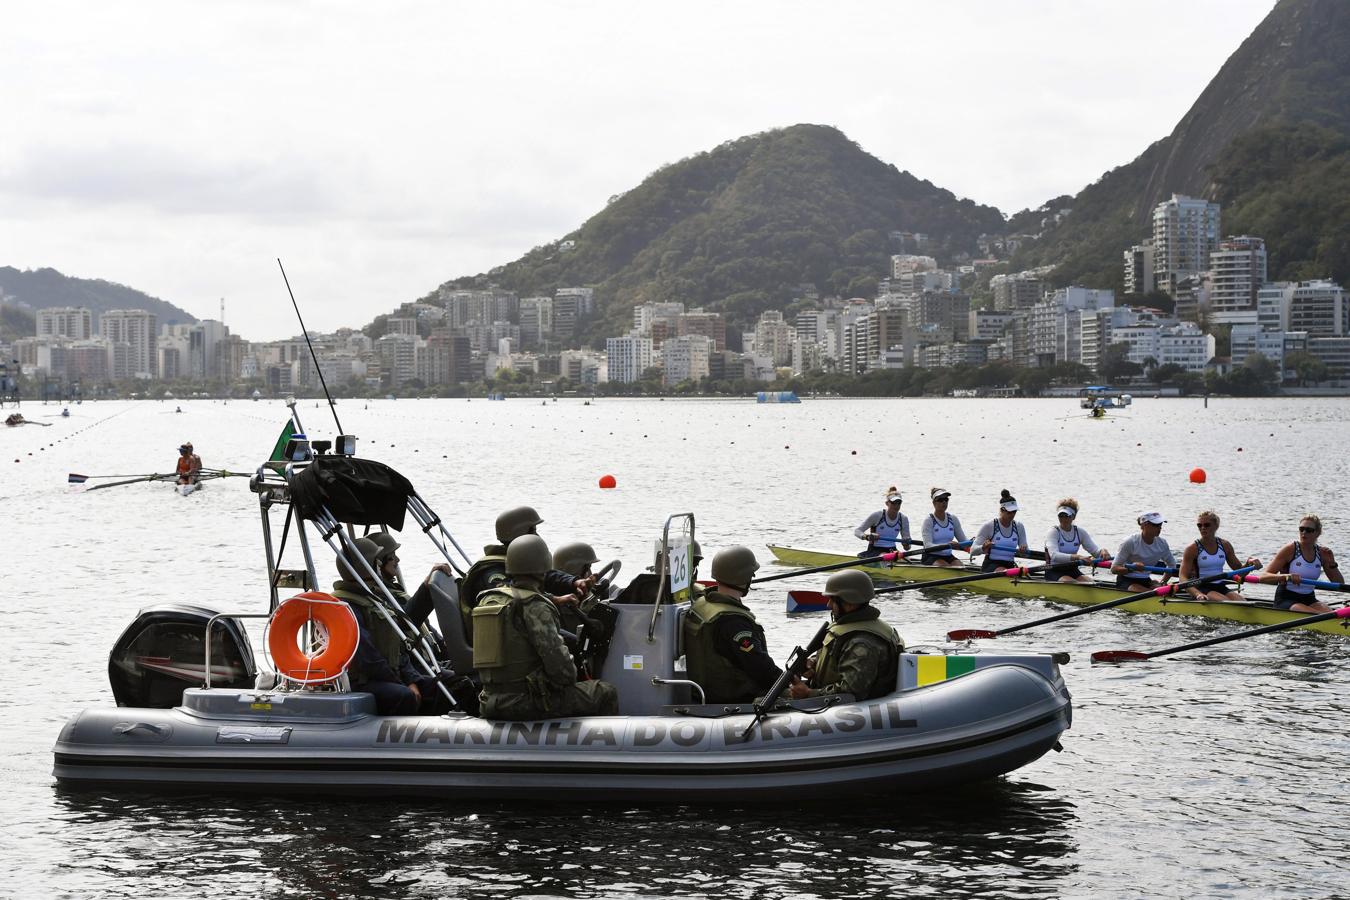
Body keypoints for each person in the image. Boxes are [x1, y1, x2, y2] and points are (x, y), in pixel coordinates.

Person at [473, 535, 619, 720]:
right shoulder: (535, 606)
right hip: (526, 702)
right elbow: (564, 673)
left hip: (488, 701)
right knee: (604, 692)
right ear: (544, 568)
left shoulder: (488, 600)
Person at [329, 537, 448, 716]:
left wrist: (410, 679)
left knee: (443, 687)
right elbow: (369, 659)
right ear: (369, 566)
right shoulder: (347, 606)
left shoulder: (375, 599)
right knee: (405, 695)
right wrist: (403, 683)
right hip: (366, 680)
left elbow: (398, 647)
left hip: (389, 674)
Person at [458, 506, 592, 636]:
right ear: (520, 533)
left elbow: (546, 575)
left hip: (516, 629)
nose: (537, 535)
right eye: (533, 530)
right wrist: (555, 599)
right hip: (501, 638)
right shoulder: (492, 573)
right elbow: (513, 597)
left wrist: (574, 582)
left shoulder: (515, 559)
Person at [683, 546, 782, 704]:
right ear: (744, 577)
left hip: (705, 692)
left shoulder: (703, 603)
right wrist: (789, 682)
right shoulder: (733, 622)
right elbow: (760, 667)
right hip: (733, 698)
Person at [788, 569, 904, 702]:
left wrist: (809, 694)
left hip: (844, 708)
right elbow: (837, 655)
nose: (828, 605)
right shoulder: (853, 627)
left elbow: (851, 692)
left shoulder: (862, 643)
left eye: (832, 600)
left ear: (849, 603)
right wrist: (814, 663)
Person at [1259, 515, 1342, 613]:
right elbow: (1263, 577)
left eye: (1309, 530)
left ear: (1317, 533)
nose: (1304, 533)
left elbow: (1339, 584)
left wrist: (1331, 563)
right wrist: (1287, 577)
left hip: (1309, 599)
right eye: (1301, 529)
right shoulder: (1290, 549)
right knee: (1319, 616)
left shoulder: (1322, 553)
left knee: (1331, 615)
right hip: (1286, 599)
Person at [1179, 510, 1261, 602]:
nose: (1202, 528)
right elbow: (1182, 578)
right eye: (1199, 525)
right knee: (1229, 604)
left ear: (1216, 526)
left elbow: (1240, 573)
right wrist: (1197, 594)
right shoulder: (1192, 549)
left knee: (1243, 603)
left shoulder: (1225, 545)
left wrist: (1250, 565)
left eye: (1206, 525)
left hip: (1220, 586)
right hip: (1201, 588)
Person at [1043, 499, 1110, 583]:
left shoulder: (1080, 532)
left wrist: (1103, 551)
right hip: (1054, 570)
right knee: (1074, 584)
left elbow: (1095, 552)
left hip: (1072, 569)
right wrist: (1078, 557)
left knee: (1091, 583)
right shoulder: (1053, 532)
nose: (1063, 519)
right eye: (1061, 516)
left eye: (1067, 516)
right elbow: (1054, 555)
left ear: (1073, 517)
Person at [1111, 512, 1178, 592]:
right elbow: (1114, 569)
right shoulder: (1130, 542)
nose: (1159, 528)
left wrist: (1162, 582)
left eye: (1160, 524)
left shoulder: (1162, 544)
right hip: (1126, 580)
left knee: (1162, 589)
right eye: (1156, 525)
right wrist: (1132, 568)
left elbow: (1172, 565)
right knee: (1154, 593)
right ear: (1144, 525)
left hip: (1146, 580)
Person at [971, 489, 1029, 573]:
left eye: (1014, 511)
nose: (1012, 514)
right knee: (1005, 571)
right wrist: (983, 547)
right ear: (1002, 510)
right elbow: (972, 551)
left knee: (1020, 572)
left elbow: (1026, 553)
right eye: (1009, 512)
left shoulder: (1019, 527)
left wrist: (1024, 552)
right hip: (991, 565)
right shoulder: (989, 526)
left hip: (1010, 565)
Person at [854, 487, 912, 558]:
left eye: (899, 503)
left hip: (892, 551)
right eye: (893, 503)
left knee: (905, 558)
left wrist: (906, 544)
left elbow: (907, 548)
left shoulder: (903, 519)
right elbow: (857, 531)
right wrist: (867, 537)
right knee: (893, 556)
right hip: (875, 551)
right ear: (887, 503)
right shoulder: (877, 516)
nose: (896, 506)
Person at [920, 487, 968, 568]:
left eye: (946, 499)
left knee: (961, 568)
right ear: (934, 503)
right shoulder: (929, 520)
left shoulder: (953, 519)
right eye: (940, 500)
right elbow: (927, 545)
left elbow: (964, 541)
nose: (944, 502)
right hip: (930, 556)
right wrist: (946, 545)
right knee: (946, 567)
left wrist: (977, 544)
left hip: (948, 556)